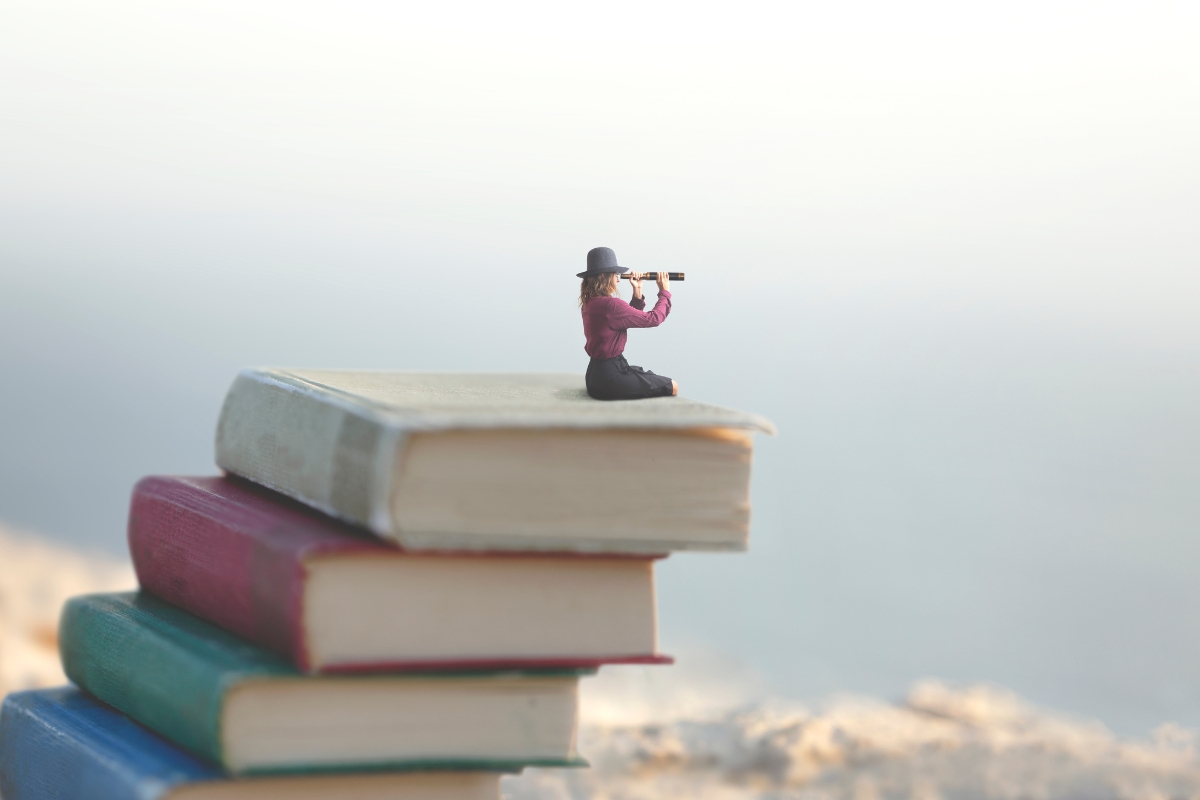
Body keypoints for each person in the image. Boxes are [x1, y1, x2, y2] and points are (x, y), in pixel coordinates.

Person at [578, 246, 679, 400]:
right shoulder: (611, 305)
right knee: (672, 385)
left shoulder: (590, 303)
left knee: (646, 375)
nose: (618, 279)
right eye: (615, 275)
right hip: (610, 379)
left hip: (594, 376)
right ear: (605, 277)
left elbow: (625, 319)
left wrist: (638, 290)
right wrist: (664, 292)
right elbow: (653, 319)